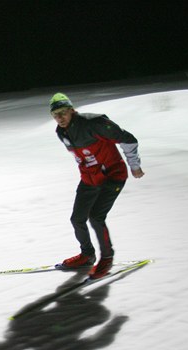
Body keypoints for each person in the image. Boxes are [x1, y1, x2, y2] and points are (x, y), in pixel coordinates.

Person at [50, 93, 145, 279]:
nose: (59, 118)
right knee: (77, 219)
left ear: (72, 110)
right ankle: (87, 255)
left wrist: (135, 166)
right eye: (55, 115)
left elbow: (128, 139)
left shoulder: (94, 123)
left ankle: (107, 258)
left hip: (113, 175)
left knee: (95, 217)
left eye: (63, 113)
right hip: (89, 179)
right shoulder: (61, 132)